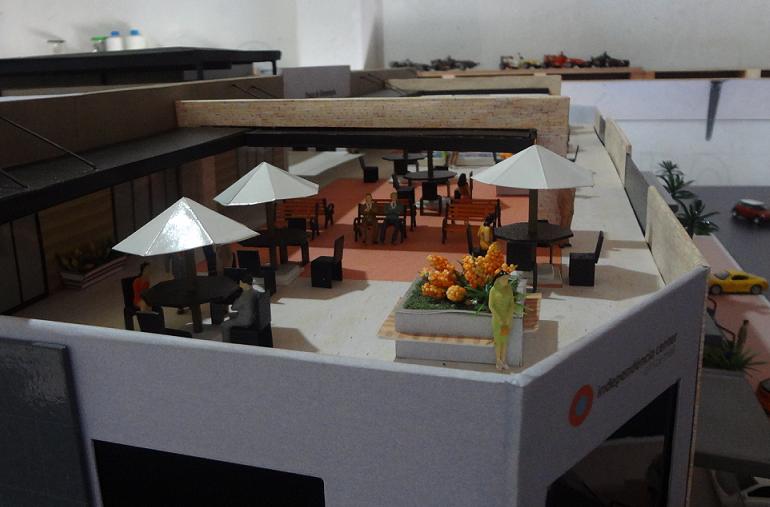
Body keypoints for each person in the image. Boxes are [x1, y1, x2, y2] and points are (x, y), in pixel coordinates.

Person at [488, 273, 516, 371]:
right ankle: (498, 360)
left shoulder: (509, 289)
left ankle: (503, 360)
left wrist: (508, 316)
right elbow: (491, 306)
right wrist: (498, 318)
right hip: (497, 321)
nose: (506, 281)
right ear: (498, 280)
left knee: (504, 341)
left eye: (507, 279)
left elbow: (512, 304)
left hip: (506, 321)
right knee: (498, 341)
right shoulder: (493, 290)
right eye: (504, 279)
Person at [221, 274, 258, 341]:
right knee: (230, 315)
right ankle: (235, 337)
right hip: (253, 316)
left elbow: (233, 308)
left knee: (224, 325)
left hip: (245, 320)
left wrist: (236, 299)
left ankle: (226, 343)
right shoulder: (255, 291)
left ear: (243, 283)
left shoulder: (244, 296)